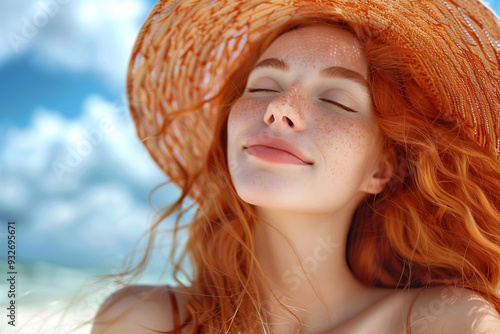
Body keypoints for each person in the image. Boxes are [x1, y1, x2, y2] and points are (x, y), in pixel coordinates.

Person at [91, 0, 500, 333]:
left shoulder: (447, 323)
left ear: (381, 170)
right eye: (263, 87)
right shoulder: (143, 321)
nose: (278, 109)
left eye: (336, 100)